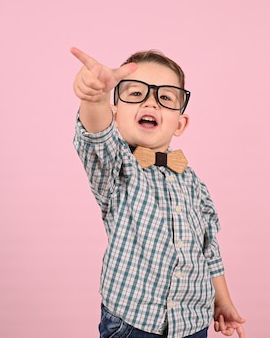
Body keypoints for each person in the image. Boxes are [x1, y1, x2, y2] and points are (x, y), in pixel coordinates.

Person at [71, 46, 245, 338]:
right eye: (136, 94)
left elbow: (208, 248)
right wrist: (95, 97)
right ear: (114, 115)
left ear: (180, 123)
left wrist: (223, 301)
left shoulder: (193, 183)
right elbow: (95, 137)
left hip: (193, 322)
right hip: (134, 324)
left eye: (164, 97)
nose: (150, 103)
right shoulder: (116, 168)